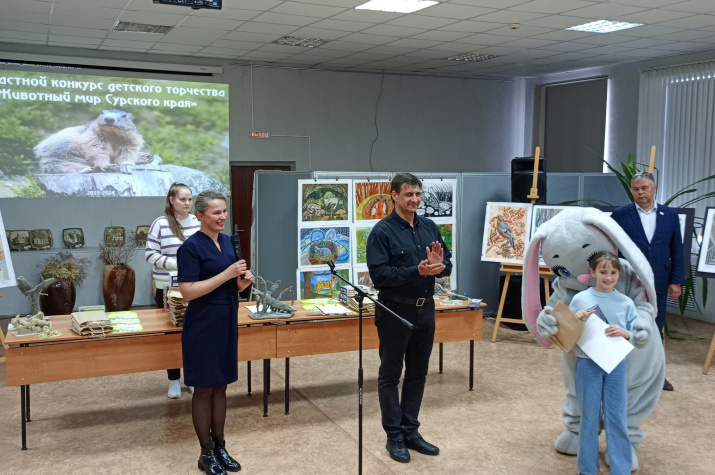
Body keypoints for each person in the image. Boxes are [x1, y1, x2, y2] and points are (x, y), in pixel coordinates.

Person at [366, 173, 452, 464]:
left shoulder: (429, 227)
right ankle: (394, 435)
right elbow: (380, 275)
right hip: (394, 310)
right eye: (408, 194)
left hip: (425, 309)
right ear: (394, 195)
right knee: (391, 375)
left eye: (418, 194)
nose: (415, 200)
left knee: (418, 373)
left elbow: (447, 264)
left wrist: (439, 266)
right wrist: (417, 270)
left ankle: (411, 431)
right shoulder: (382, 232)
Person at [178, 190, 253, 475]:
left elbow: (228, 284)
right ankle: (205, 452)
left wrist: (240, 285)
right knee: (204, 388)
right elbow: (188, 292)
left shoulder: (227, 242)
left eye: (224, 211)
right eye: (216, 212)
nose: (222, 217)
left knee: (221, 385)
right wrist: (226, 275)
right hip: (202, 323)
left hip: (226, 320)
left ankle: (221, 446)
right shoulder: (190, 247)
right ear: (200, 215)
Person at [569, 251, 642, 475]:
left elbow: (637, 335)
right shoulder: (580, 299)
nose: (608, 277)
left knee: (616, 416)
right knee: (588, 417)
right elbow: (566, 332)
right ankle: (587, 469)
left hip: (615, 365)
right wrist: (575, 320)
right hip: (587, 364)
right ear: (593, 273)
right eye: (603, 272)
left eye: (613, 273)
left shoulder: (626, 303)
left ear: (619, 274)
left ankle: (621, 469)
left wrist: (625, 333)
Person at [611, 171, 684, 391]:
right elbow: (610, 246)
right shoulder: (620, 214)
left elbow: (677, 250)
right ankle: (622, 373)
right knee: (624, 325)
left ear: (654, 189)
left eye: (644, 188)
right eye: (636, 189)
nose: (640, 192)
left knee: (655, 326)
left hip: (659, 281)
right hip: (628, 281)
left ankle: (656, 375)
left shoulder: (670, 215)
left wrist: (676, 281)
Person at [145, 182, 200, 399]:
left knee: (194, 333)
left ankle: (192, 378)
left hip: (195, 287)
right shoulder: (160, 224)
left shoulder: (197, 222)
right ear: (171, 200)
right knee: (171, 334)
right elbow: (150, 255)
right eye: (182, 199)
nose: (187, 203)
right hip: (167, 288)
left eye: (190, 199)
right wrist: (178, 263)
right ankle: (174, 379)